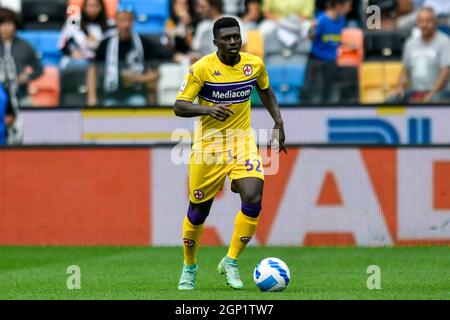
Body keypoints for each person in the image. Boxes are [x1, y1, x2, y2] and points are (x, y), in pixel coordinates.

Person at [174, 16, 286, 290]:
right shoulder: (201, 69)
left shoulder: (254, 64)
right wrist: (207, 109)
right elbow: (179, 106)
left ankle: (232, 261)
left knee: (253, 196)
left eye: (236, 36)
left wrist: (279, 122)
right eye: (227, 38)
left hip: (241, 142)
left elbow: (266, 90)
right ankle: (189, 266)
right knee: (199, 210)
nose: (233, 42)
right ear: (216, 43)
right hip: (208, 147)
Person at [87, 4, 178, 107]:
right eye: (122, 20)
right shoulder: (105, 43)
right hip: (110, 95)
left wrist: (136, 79)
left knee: (138, 102)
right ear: (116, 21)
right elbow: (92, 69)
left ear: (134, 21)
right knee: (109, 105)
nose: (126, 25)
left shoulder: (144, 43)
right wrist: (91, 97)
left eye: (129, 20)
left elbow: (155, 74)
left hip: (136, 94)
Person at [389, 7, 450, 103]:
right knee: (392, 100)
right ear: (417, 23)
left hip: (440, 91)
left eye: (428, 21)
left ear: (435, 22)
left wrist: (430, 95)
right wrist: (400, 87)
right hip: (416, 90)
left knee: (434, 100)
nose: (424, 25)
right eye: (421, 21)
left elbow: (445, 73)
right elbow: (405, 71)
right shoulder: (410, 43)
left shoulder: (445, 42)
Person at [301, 0, 353, 104]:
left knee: (332, 95)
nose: (349, 9)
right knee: (316, 96)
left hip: (333, 63)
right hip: (317, 62)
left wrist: (348, 46)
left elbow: (336, 41)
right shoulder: (321, 20)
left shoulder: (342, 20)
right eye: (348, 5)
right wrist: (311, 28)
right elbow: (311, 37)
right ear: (338, 5)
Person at [0, 8, 43, 107]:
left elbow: (39, 69)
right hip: (0, 97)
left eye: (9, 23)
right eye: (2, 24)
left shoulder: (25, 45)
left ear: (15, 25)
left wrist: (26, 77)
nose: (6, 28)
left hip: (22, 95)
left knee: (29, 119)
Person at [59, 0, 115, 70]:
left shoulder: (110, 25)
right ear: (84, 7)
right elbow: (62, 45)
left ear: (102, 7)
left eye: (96, 6)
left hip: (99, 63)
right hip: (75, 62)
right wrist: (72, 52)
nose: (93, 9)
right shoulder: (74, 21)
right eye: (90, 6)